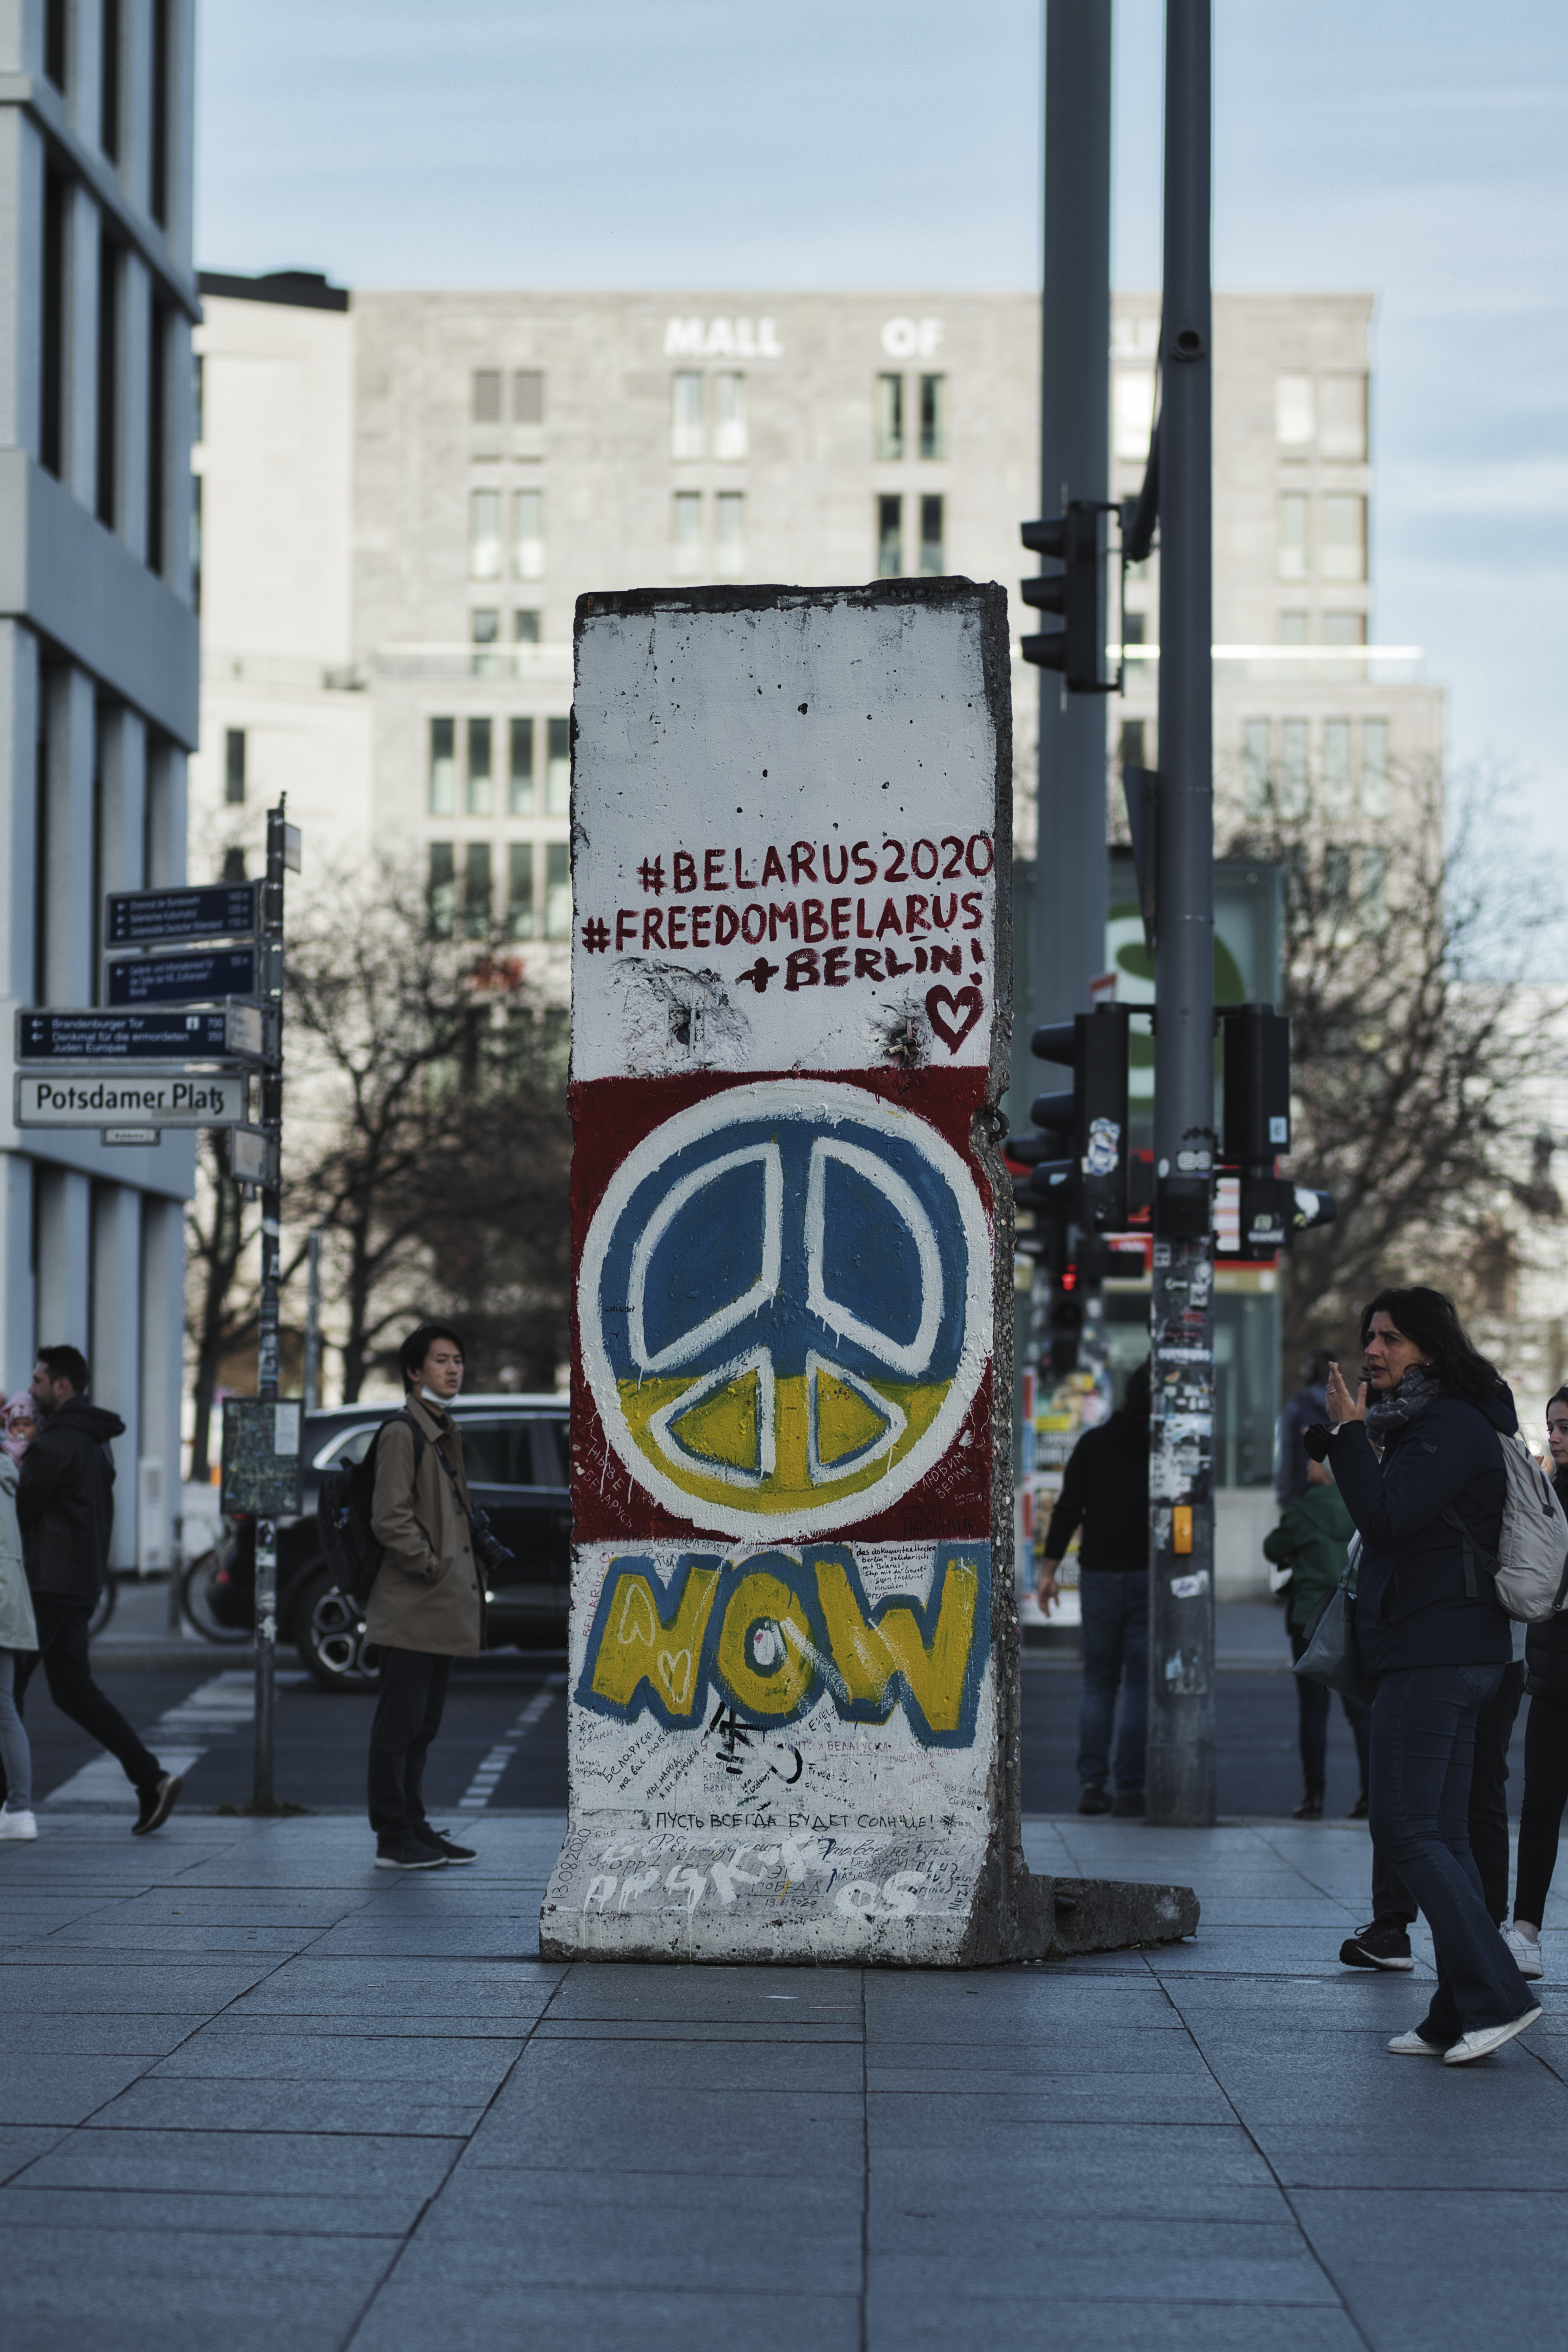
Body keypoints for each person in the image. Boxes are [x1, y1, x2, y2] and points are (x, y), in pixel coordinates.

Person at [1326, 1287, 1539, 2064]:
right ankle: (1453, 2013)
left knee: (1406, 1829)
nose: (1372, 1351)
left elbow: (1384, 1521)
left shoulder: (1447, 1423)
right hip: (1455, 1649)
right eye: (1368, 1337)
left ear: (1427, 1346)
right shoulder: (1446, 1421)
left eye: (1388, 1338)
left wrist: (1348, 1438)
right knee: (1442, 1834)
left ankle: (1500, 1994)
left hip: (1433, 1652)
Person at [5, 1346, 182, 1835]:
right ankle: (152, 1779)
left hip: (46, 1583)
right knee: (73, 1690)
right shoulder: (93, 1441)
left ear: (63, 1387)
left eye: (39, 1381)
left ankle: (12, 1807)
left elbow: (18, 1510)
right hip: (80, 1584)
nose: (34, 1389)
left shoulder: (58, 1442)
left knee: (7, 1691)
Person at [366, 1321, 483, 1870]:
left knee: (422, 1727)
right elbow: (389, 1517)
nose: (453, 1368)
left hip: (437, 1606)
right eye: (440, 1360)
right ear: (414, 1372)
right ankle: (392, 1836)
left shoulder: (441, 1428)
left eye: (457, 1359)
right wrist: (431, 1566)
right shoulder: (402, 1432)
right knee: (399, 1726)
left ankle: (414, 1826)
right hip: (412, 1604)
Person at [1037, 1359, 1151, 1818]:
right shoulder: (1168, 1449)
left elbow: (1067, 1510)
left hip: (1099, 1576)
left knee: (1098, 1684)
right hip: (1147, 1576)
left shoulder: (1093, 1443)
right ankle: (1129, 1791)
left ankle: (1090, 1784)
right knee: (1140, 1687)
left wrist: (1048, 1571)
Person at [1502, 1385, 1568, 1981]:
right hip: (1553, 1673)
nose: (1556, 1436)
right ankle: (1525, 1931)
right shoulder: (1548, 1490)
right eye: (1552, 1425)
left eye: (1566, 1427)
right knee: (1541, 1800)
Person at [1265, 1455, 1369, 1819]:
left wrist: (1298, 1550)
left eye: (1313, 1461)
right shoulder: (1360, 1500)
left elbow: (1272, 1549)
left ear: (1325, 1469)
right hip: (1354, 1613)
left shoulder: (1305, 1509)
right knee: (1360, 1708)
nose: (1307, 1464)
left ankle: (1314, 1797)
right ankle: (1370, 1794)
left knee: (1313, 1710)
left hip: (1309, 1616)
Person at [0, 1438, 38, 1840]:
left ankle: (20, 1809)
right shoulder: (6, 1470)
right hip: (7, 1597)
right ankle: (19, 1809)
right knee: (4, 1706)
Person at [1276, 1348, 1338, 1505]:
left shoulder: (1296, 1407)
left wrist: (1285, 1498)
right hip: (1343, 1503)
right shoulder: (1350, 1407)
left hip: (1303, 1501)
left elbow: (1288, 1456)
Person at [2, 1392, 36, 1465]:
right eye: (16, 1425)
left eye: (26, 1424)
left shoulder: (38, 1448)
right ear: (9, 1427)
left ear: (37, 1426)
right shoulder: (5, 1449)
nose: (21, 1429)